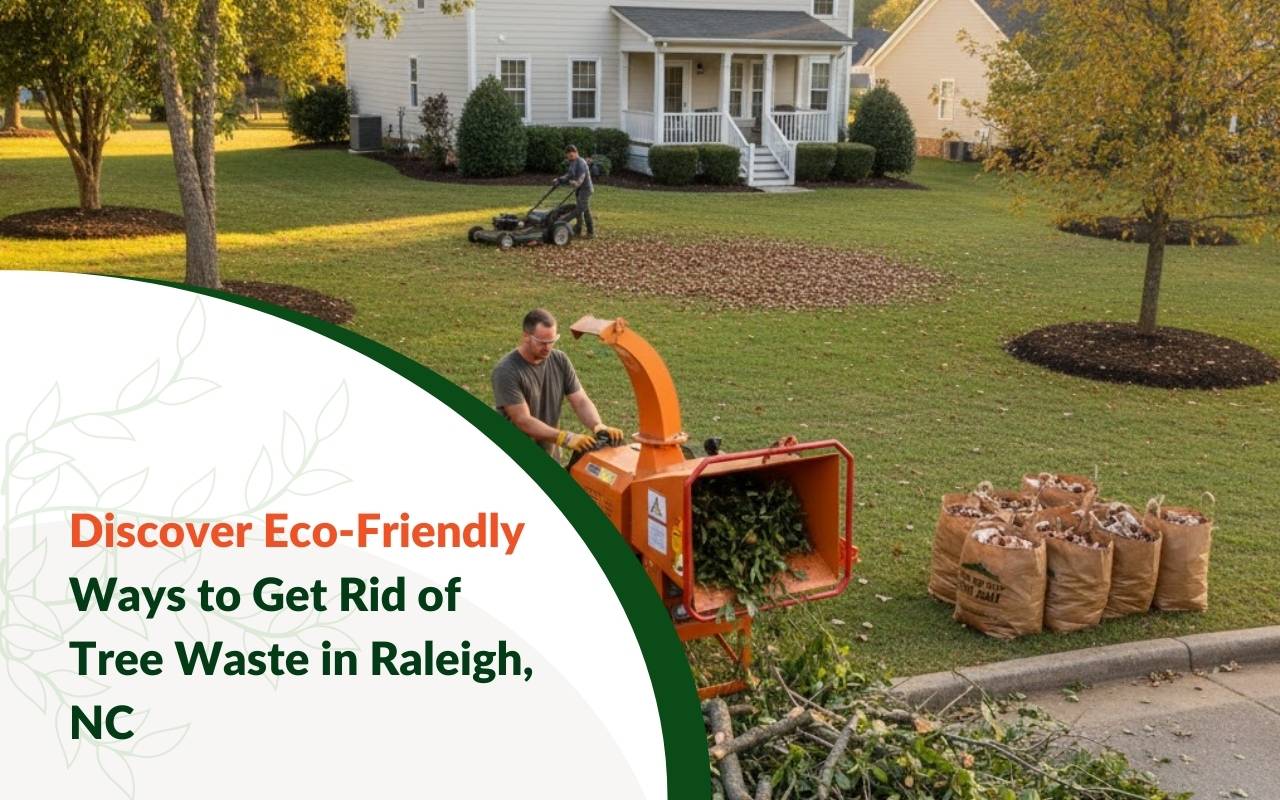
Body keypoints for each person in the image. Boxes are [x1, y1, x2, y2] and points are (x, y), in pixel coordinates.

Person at [492, 308, 623, 456]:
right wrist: (564, 437)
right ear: (526, 337)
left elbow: (580, 400)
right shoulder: (507, 370)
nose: (547, 348)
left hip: (549, 453)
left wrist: (598, 425)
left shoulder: (559, 360)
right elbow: (523, 420)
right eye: (542, 342)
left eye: (552, 341)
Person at [553, 144, 593, 238]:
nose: (570, 158)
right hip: (579, 189)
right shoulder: (573, 162)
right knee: (584, 210)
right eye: (568, 156)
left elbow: (581, 177)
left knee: (579, 209)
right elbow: (569, 174)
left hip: (585, 189)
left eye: (571, 155)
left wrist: (576, 183)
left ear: (576, 153)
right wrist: (559, 179)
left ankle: (562, 222)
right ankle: (580, 230)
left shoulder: (581, 163)